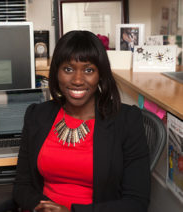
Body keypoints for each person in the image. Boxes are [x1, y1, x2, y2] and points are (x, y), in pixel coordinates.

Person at [13, 30, 151, 212]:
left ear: (100, 74)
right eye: (68, 69)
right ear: (56, 73)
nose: (77, 80)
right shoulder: (37, 115)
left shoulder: (126, 121)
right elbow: (22, 186)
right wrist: (41, 207)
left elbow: (136, 202)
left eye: (88, 70)